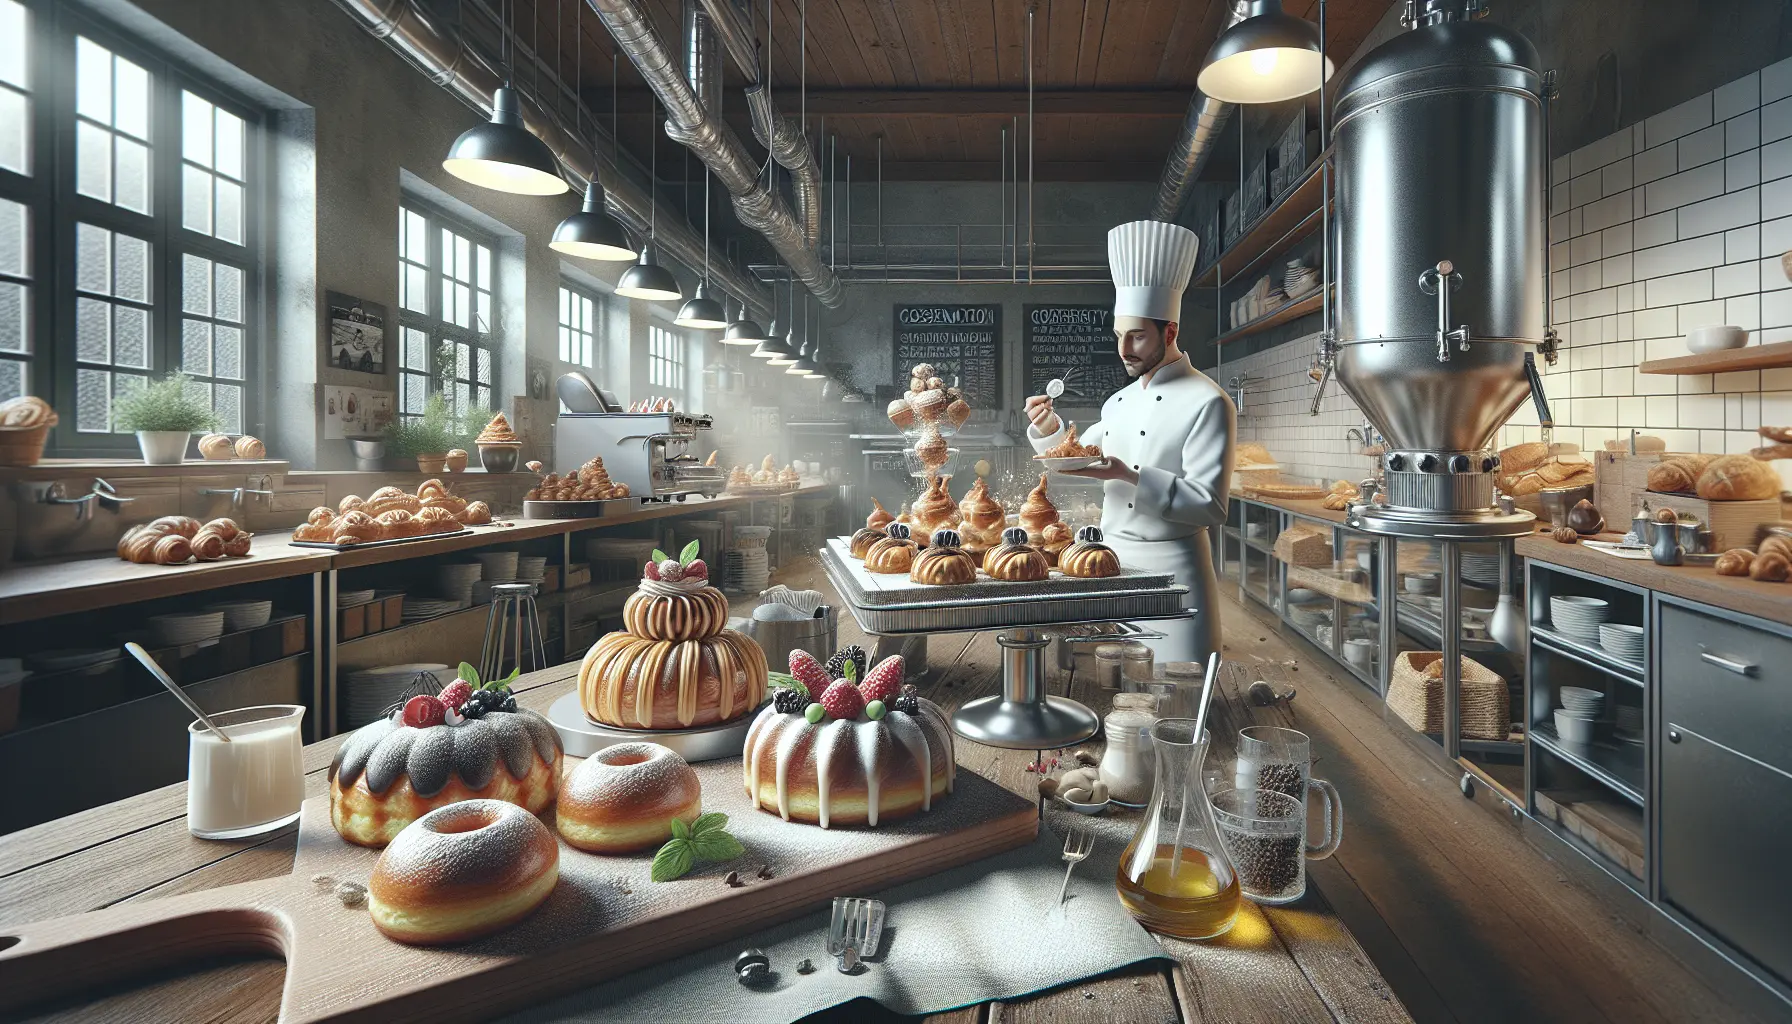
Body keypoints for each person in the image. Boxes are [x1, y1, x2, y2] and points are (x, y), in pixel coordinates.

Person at [1025, 219, 1236, 662]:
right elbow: (1082, 455)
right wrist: (1048, 430)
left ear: (1171, 332)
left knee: (1177, 689)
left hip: (1174, 570)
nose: (1124, 349)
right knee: (1107, 692)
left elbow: (1212, 506)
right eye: (1120, 336)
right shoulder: (1117, 402)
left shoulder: (1209, 401)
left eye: (1137, 336)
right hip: (1109, 563)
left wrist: (1132, 476)